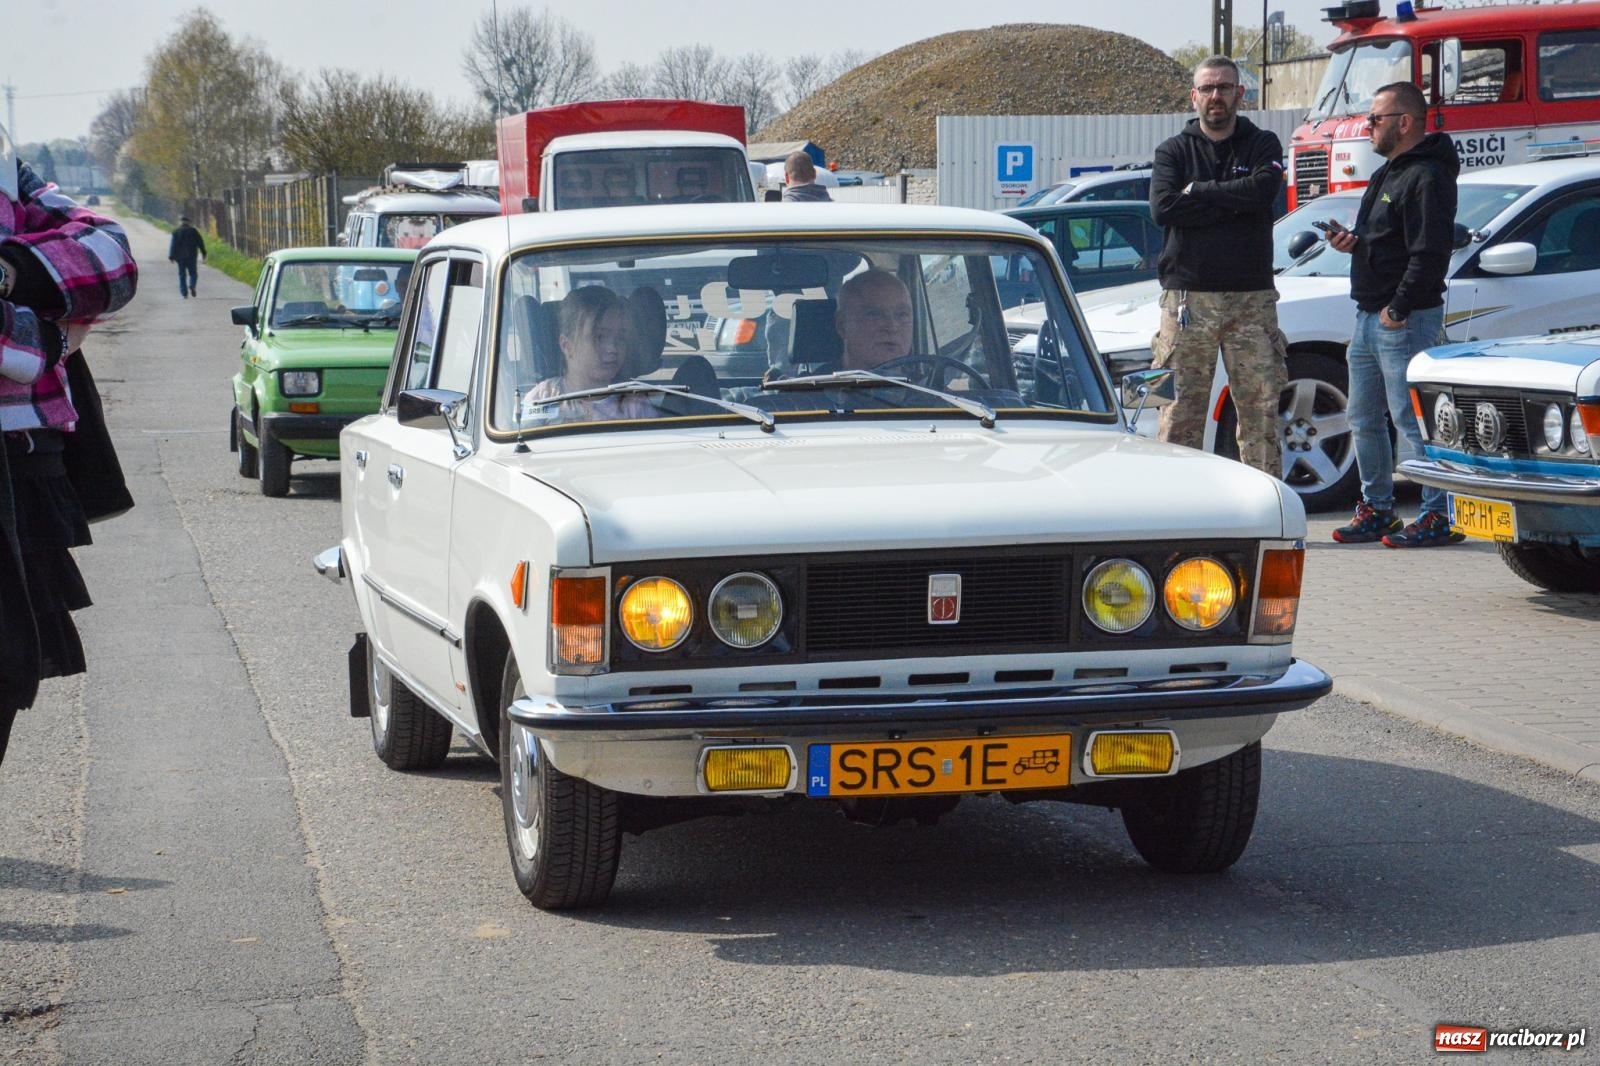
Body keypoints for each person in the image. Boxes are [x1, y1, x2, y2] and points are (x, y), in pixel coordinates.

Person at [1, 131, 139, 766]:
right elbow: (29, 351)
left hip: (22, 459)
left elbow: (110, 253)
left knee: (11, 657)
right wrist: (48, 340)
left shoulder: (9, 173)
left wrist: (12, 270)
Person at [1327, 81, 1463, 547]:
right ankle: (1379, 509)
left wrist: (1398, 308)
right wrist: (1352, 242)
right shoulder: (1388, 172)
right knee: (1363, 417)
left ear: (1404, 123)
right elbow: (1387, 241)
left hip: (1403, 319)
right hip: (1368, 316)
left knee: (1414, 421)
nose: (1367, 126)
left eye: (1375, 119)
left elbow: (1430, 253)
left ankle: (1436, 515)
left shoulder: (1428, 176)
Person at [1148, 55, 1287, 478]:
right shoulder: (1173, 150)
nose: (1215, 97)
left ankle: (1270, 513)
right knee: (1179, 414)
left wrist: (1201, 193)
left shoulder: (1262, 144)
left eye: (1224, 88)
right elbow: (1164, 208)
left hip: (1252, 301)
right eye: (1207, 89)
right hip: (1189, 299)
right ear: (1194, 96)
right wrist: (1232, 202)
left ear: (1239, 94)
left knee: (1260, 413)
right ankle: (1178, 517)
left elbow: (1263, 193)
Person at [522, 286, 657, 423]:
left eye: (620, 338)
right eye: (599, 337)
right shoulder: (542, 398)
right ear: (567, 345)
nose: (613, 348)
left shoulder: (635, 404)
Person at [834, 269, 912, 371]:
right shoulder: (815, 385)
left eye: (902, 315)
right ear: (843, 326)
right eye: (874, 315)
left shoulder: (929, 384)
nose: (892, 327)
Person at [168, 215, 205, 298]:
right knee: (193, 273)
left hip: (180, 258)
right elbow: (200, 242)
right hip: (191, 256)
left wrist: (171, 256)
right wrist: (204, 252)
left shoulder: (176, 232)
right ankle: (192, 285)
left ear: (181, 223)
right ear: (189, 223)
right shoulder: (194, 231)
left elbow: (173, 245)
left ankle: (184, 293)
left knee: (182, 275)